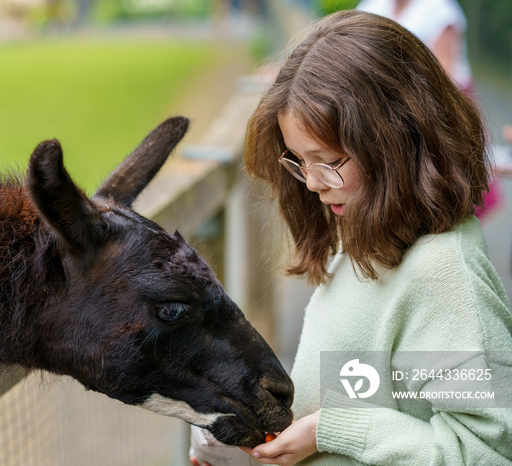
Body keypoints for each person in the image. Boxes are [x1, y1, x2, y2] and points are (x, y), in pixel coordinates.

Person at [191, 10, 512, 466]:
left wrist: (330, 430)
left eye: (329, 161)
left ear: (399, 138)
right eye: (299, 161)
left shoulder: (444, 273)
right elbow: (369, 388)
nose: (312, 183)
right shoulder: (363, 236)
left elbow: (488, 450)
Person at [356, 0, 504, 221]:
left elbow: (443, 75)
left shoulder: (440, 10)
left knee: (446, 186)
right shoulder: (372, 6)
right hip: (388, 105)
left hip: (437, 104)